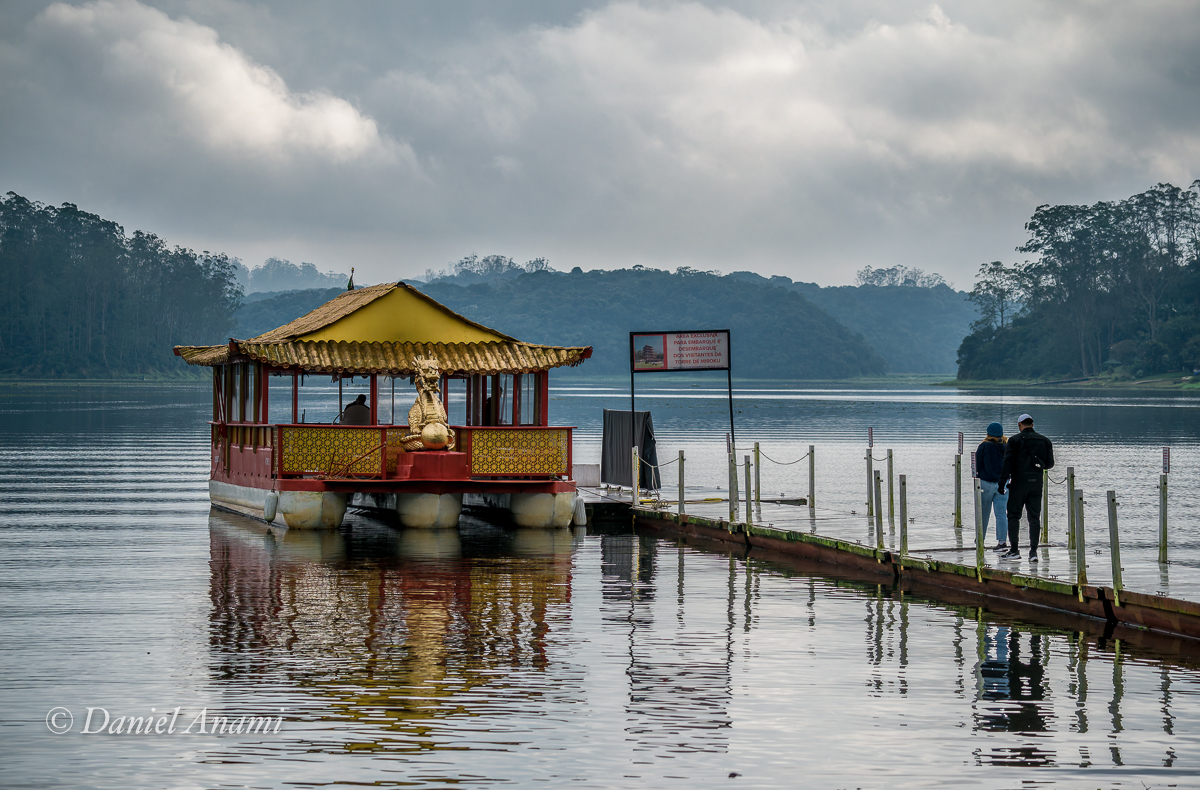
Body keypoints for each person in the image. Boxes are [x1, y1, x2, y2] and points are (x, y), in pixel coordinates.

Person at [999, 413, 1054, 562]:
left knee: (1013, 516)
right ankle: (1033, 553)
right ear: (1032, 424)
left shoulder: (1014, 440)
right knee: (1034, 517)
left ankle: (1015, 550)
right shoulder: (1045, 440)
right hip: (1036, 484)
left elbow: (1007, 464)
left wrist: (1001, 483)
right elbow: (1050, 464)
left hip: (1018, 483)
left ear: (1019, 425)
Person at [975, 423, 1009, 552]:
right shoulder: (1006, 446)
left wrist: (977, 477)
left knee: (983, 513)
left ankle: (980, 540)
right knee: (1001, 514)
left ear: (988, 433)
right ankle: (1002, 542)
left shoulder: (984, 446)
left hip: (986, 483)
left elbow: (977, 465)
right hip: (1003, 484)